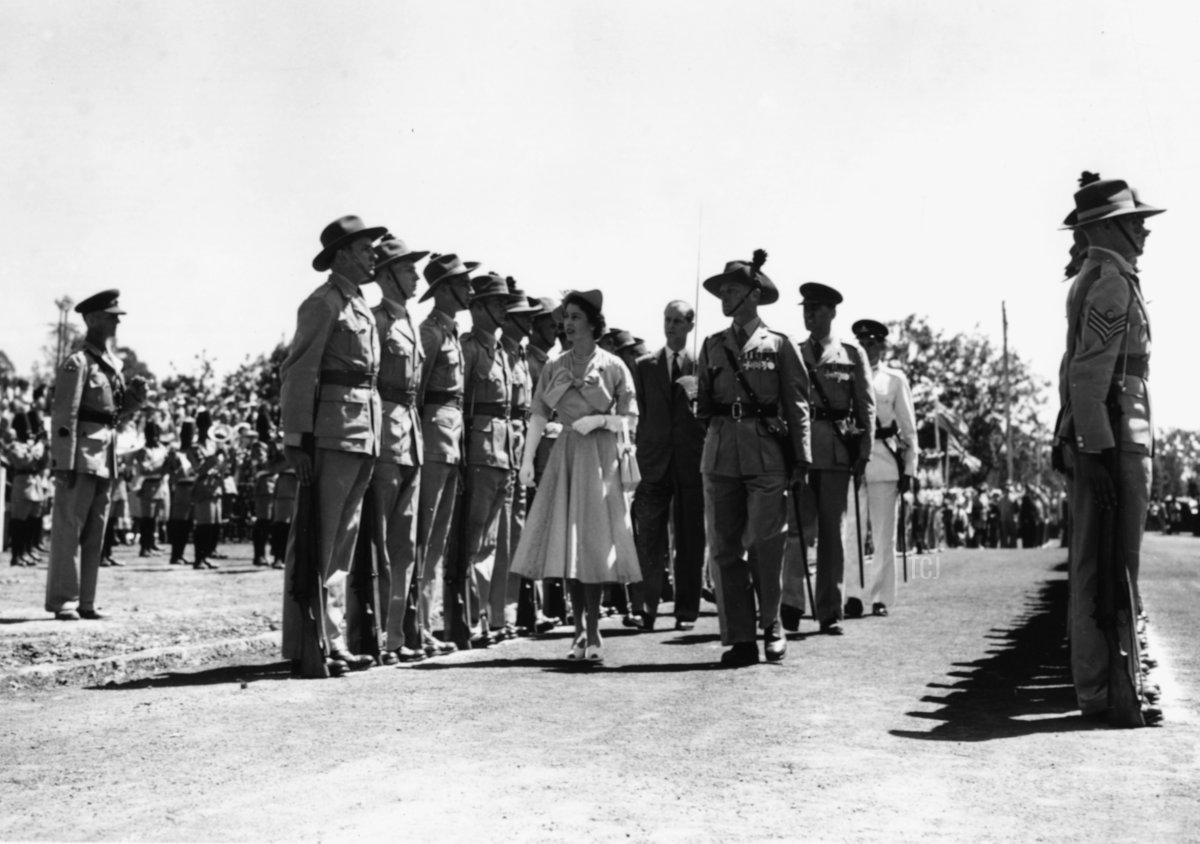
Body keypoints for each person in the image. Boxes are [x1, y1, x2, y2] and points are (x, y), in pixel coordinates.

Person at [1056, 175, 1161, 723]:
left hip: (1108, 434)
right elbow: (1089, 374)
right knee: (1113, 567)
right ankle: (1106, 689)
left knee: (1100, 566)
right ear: (1109, 226)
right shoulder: (1111, 281)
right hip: (1115, 438)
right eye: (1135, 219)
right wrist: (1095, 452)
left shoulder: (1099, 276)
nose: (1144, 228)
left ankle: (1109, 683)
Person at [279, 215, 386, 676]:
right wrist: (294, 440)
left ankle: (333, 639)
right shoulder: (323, 304)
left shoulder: (359, 304)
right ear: (342, 255)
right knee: (318, 542)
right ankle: (310, 641)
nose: (374, 257)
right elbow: (298, 371)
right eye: (366, 250)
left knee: (341, 545)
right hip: (332, 433)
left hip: (363, 430)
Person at [511, 289, 641, 664]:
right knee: (568, 542)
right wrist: (527, 458)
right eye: (565, 317)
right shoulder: (554, 366)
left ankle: (595, 627)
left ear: (593, 323)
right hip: (566, 455)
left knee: (594, 543)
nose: (567, 324)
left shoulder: (614, 365)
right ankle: (578, 629)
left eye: (575, 317)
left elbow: (630, 419)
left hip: (600, 456)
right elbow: (538, 414)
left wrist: (600, 420)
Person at [696, 251, 811, 666]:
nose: (723, 295)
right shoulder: (712, 345)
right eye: (721, 290)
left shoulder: (779, 345)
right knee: (725, 548)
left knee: (767, 544)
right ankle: (739, 636)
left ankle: (772, 625)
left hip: (767, 454)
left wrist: (802, 460)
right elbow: (705, 407)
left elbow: (797, 404)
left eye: (730, 289)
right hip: (721, 451)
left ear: (752, 294)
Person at [44, 290, 148, 620]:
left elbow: (113, 412)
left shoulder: (109, 365)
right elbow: (65, 416)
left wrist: (135, 399)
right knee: (69, 529)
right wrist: (63, 461)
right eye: (110, 315)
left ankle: (85, 601)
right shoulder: (78, 363)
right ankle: (65, 600)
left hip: (105, 455)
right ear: (91, 320)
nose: (117, 320)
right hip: (81, 455)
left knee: (95, 532)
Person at [784, 282, 874, 634]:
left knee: (832, 536)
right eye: (805, 308)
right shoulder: (792, 350)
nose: (808, 314)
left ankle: (830, 611)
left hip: (837, 453)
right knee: (796, 532)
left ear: (832, 313)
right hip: (801, 453)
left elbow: (865, 407)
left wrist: (863, 453)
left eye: (816, 309)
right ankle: (791, 604)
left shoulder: (851, 354)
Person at [360, 235, 427, 663]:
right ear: (386, 276)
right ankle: (374, 631)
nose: (416, 275)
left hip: (412, 437)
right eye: (407, 269)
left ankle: (395, 635)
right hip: (385, 434)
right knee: (379, 541)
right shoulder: (378, 320)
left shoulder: (408, 321)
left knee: (404, 544)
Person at [629, 300, 706, 632]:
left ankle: (686, 610)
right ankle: (646, 608)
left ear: (690, 325)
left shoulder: (702, 366)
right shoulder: (645, 365)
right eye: (667, 320)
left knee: (690, 537)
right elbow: (639, 413)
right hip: (654, 462)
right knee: (649, 538)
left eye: (678, 321)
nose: (671, 326)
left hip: (691, 462)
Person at [415, 252, 474, 657]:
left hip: (451, 444)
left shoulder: (451, 332)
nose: (469, 289)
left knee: (437, 540)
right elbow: (416, 395)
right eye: (463, 283)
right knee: (424, 539)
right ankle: (414, 624)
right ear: (445, 290)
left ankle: (426, 622)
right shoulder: (432, 332)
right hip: (432, 443)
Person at [844, 319, 916, 617]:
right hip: (851, 462)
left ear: (882, 346)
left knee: (884, 534)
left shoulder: (893, 379)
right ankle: (853, 596)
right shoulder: (845, 375)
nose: (866, 347)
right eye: (861, 342)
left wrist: (910, 469)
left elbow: (909, 429)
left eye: (871, 343)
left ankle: (881, 598)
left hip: (885, 463)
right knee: (852, 533)